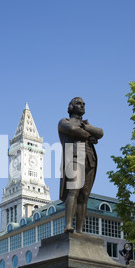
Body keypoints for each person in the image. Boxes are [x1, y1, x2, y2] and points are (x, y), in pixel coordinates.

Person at [58, 97, 104, 233]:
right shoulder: (64, 121)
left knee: (84, 196)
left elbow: (100, 133)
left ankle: (79, 230)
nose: (82, 106)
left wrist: (87, 128)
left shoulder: (86, 124)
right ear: (71, 107)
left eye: (84, 104)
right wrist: (88, 133)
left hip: (90, 159)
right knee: (73, 191)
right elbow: (73, 129)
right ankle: (68, 225)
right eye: (79, 103)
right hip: (74, 157)